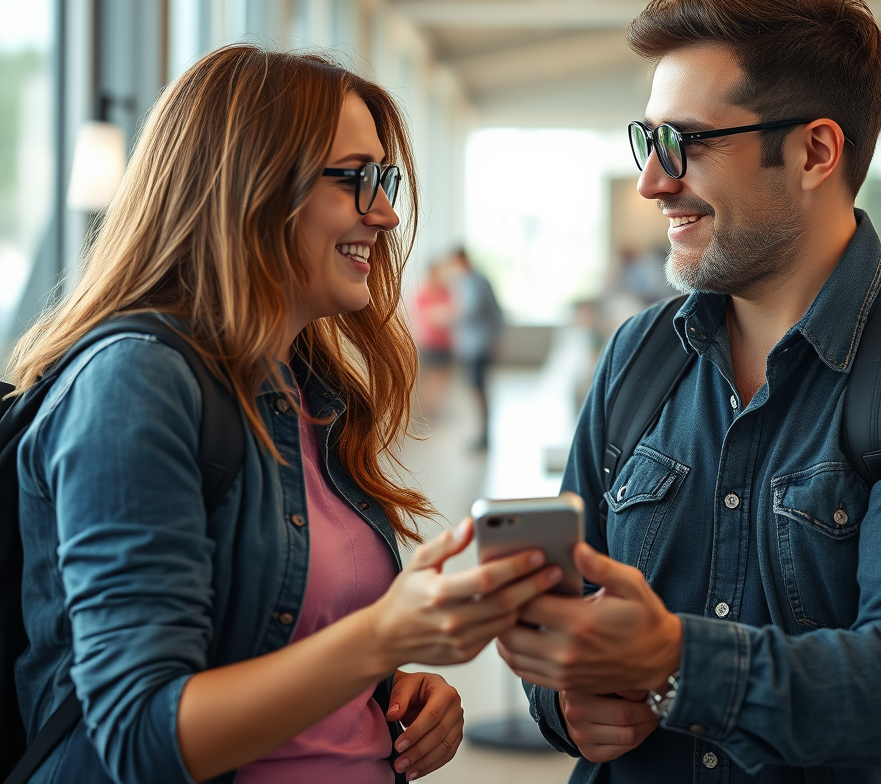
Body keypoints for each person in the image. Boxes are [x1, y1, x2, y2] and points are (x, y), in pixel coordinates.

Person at [495, 0, 881, 782]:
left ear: (815, 151)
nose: (652, 181)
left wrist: (678, 659)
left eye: (689, 143)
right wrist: (565, 703)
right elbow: (573, 623)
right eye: (648, 141)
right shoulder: (638, 356)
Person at [9, 46, 563, 784]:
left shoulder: (308, 389)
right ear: (253, 187)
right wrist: (378, 638)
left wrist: (391, 695)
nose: (387, 213)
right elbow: (140, 736)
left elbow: (296, 641)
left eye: (385, 179)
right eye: (358, 179)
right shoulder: (136, 383)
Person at [449, 247, 503, 451]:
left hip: (479, 345)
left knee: (479, 388)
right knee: (476, 388)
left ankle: (484, 435)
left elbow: (471, 310)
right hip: (473, 345)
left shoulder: (476, 281)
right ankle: (482, 433)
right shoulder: (467, 281)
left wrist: (447, 315)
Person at [413, 258, 455, 420]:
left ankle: (436, 408)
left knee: (443, 376)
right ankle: (427, 409)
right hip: (429, 342)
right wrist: (437, 315)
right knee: (430, 376)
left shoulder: (446, 291)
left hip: (445, 341)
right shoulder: (423, 292)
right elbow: (421, 316)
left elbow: (455, 310)